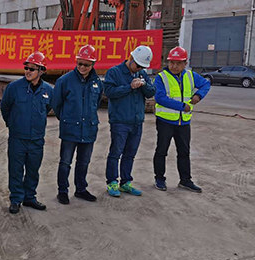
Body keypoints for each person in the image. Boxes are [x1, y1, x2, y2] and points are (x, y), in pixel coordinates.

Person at [1, 52, 54, 214]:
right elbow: (5, 108)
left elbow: (48, 108)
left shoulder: (48, 90)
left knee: (33, 170)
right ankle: (16, 199)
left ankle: (29, 197)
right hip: (18, 138)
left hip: (36, 139)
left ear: (42, 71)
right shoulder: (14, 88)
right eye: (26, 68)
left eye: (32, 69)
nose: (28, 71)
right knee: (16, 170)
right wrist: (13, 124)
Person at [153, 46, 210, 193]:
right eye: (172, 62)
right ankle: (159, 179)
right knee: (161, 151)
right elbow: (160, 98)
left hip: (184, 122)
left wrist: (198, 95)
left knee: (184, 152)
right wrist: (182, 106)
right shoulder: (161, 77)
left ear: (185, 63)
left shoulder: (190, 75)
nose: (174, 66)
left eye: (178, 63)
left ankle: (185, 180)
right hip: (165, 121)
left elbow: (206, 84)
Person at [53, 45, 103, 205]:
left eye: (86, 64)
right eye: (79, 63)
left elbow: (97, 103)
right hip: (70, 129)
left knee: (84, 162)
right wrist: (67, 119)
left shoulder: (97, 82)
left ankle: (81, 189)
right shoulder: (64, 81)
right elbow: (57, 104)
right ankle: (62, 191)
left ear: (93, 64)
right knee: (65, 162)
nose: (82, 67)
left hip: (88, 129)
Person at [103, 45, 156, 197]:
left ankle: (125, 182)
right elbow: (109, 92)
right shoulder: (114, 72)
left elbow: (151, 92)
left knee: (130, 154)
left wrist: (144, 84)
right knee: (116, 153)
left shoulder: (142, 74)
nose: (139, 68)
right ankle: (112, 182)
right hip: (120, 121)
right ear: (131, 58)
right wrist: (129, 87)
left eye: (142, 67)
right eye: (138, 65)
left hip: (137, 121)